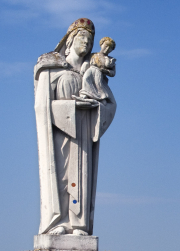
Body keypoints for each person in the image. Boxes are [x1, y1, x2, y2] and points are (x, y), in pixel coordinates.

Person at [34, 18, 117, 236]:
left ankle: (78, 224)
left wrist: (97, 106)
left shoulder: (93, 71)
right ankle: (57, 221)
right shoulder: (50, 66)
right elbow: (42, 107)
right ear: (70, 40)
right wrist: (72, 105)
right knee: (61, 176)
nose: (87, 43)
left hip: (83, 134)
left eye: (90, 40)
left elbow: (109, 103)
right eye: (82, 37)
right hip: (59, 135)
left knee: (81, 178)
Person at [80, 37, 116, 102]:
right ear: (101, 44)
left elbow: (113, 73)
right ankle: (85, 94)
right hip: (91, 70)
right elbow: (87, 61)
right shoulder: (93, 55)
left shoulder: (110, 60)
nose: (107, 49)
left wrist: (106, 71)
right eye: (106, 46)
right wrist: (84, 65)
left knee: (98, 85)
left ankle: (101, 97)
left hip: (100, 74)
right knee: (86, 78)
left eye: (110, 48)